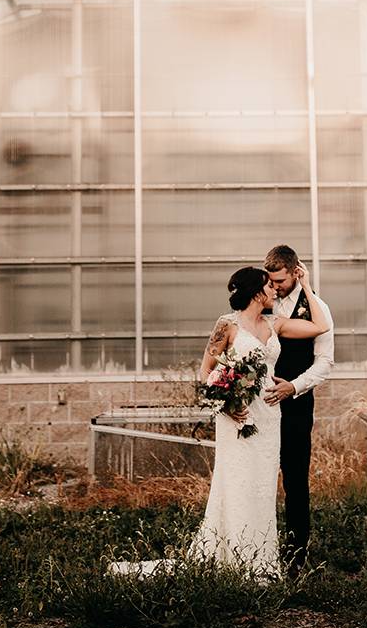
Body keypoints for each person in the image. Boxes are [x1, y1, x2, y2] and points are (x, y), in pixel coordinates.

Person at [108, 265, 330, 580]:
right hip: (236, 418)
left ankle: (259, 557)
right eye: (269, 286)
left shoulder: (275, 323)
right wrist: (224, 405)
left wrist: (306, 284)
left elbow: (319, 326)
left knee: (262, 488)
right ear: (256, 292)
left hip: (268, 416)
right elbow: (205, 371)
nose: (275, 291)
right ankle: (234, 557)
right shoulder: (225, 325)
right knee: (237, 483)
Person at [260, 244, 335, 576]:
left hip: (296, 406)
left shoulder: (318, 308)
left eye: (280, 280)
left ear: (295, 272)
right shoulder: (261, 304)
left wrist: (294, 386)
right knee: (259, 475)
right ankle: (256, 546)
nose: (274, 287)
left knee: (295, 480)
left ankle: (295, 555)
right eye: (271, 281)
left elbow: (325, 363)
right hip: (260, 407)